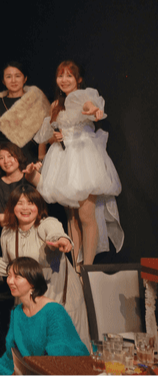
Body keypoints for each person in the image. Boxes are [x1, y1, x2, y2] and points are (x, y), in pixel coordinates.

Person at [31, 60, 123, 266]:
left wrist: (94, 110)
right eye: (60, 76)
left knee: (86, 214)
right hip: (63, 160)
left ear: (79, 79)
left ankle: (87, 269)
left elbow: (91, 106)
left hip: (83, 157)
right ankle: (76, 268)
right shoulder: (55, 105)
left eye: (69, 76)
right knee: (72, 217)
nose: (64, 80)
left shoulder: (84, 96)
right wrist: (51, 143)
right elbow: (46, 135)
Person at [0, 187, 90, 346]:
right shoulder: (8, 232)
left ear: (39, 207)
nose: (25, 208)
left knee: (62, 345)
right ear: (12, 207)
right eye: (20, 203)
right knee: (34, 346)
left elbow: (55, 233)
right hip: (29, 296)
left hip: (57, 292)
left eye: (31, 203)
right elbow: (8, 264)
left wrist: (62, 240)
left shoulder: (46, 223)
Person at [0, 257, 89, 375]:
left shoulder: (53, 311)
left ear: (32, 282)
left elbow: (60, 356)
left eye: (17, 277)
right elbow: (12, 355)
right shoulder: (17, 312)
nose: (10, 281)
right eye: (9, 275)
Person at [0, 62, 50, 169]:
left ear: (25, 78)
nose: (13, 80)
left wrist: (41, 158)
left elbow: (45, 133)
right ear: (3, 80)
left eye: (18, 76)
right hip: (5, 161)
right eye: (8, 77)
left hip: (29, 157)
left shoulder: (36, 99)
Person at [0, 142, 33, 230]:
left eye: (10, 156)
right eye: (1, 158)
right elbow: (2, 220)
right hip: (9, 231)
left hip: (34, 228)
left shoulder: (30, 178)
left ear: (18, 156)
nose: (6, 161)